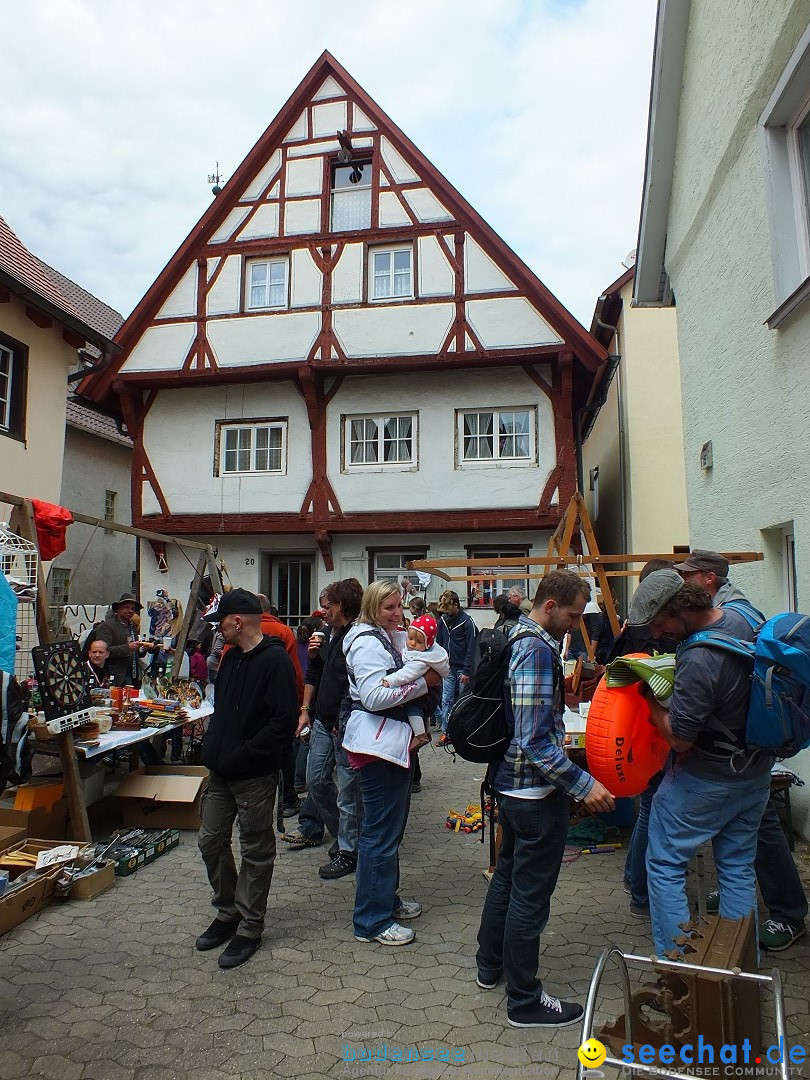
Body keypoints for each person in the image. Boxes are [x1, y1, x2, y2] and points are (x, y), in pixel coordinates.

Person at [476, 570, 615, 1028]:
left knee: (507, 878)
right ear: (551, 605)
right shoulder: (536, 648)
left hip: (511, 786)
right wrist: (584, 785)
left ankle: (489, 965)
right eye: (573, 615)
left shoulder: (517, 635)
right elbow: (534, 741)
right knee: (530, 898)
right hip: (534, 794)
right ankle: (524, 1000)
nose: (576, 625)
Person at [627, 570, 773, 959]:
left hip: (707, 779)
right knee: (738, 869)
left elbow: (680, 738)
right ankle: (739, 971)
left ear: (680, 609)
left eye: (660, 624)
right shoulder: (744, 617)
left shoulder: (699, 657)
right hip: (756, 773)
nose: (657, 634)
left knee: (664, 863)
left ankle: (682, 978)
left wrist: (652, 702)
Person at [676, 550, 807, 951]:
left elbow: (722, 678)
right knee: (745, 824)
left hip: (743, 746)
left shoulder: (731, 616)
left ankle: (788, 913)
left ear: (709, 579)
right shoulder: (737, 610)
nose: (682, 583)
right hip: (747, 742)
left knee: (763, 826)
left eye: (688, 576)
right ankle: (743, 892)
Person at [196, 588, 299, 969]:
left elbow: (282, 723)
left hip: (254, 774)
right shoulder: (231, 658)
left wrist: (243, 753)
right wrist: (214, 746)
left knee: (256, 851)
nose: (217, 629)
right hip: (222, 771)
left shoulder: (273, 661)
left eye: (220, 622)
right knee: (210, 841)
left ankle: (250, 926)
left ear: (237, 621)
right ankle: (228, 912)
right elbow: (223, 710)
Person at [342, 581, 441, 946]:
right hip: (378, 748)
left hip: (388, 745)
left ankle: (385, 899)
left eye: (399, 606)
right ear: (372, 608)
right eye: (389, 608)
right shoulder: (367, 641)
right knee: (380, 835)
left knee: (388, 832)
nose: (398, 614)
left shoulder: (380, 635)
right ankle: (371, 920)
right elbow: (372, 696)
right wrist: (424, 683)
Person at [286, 578, 365, 880]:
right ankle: (343, 834)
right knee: (315, 781)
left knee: (347, 791)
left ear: (342, 605)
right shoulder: (326, 634)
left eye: (328, 605)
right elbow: (314, 674)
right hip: (321, 719)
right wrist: (305, 710)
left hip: (344, 725)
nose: (323, 611)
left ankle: (349, 850)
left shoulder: (354, 636)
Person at [381, 614, 448, 751]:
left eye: (418, 641)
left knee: (413, 709)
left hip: (424, 695)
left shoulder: (421, 661)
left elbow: (407, 674)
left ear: (427, 644)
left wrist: (390, 680)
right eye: (410, 639)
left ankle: (420, 735)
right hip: (428, 692)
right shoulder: (420, 652)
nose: (412, 643)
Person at [435, 590, 477, 745]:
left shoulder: (467, 622)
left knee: (462, 701)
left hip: (462, 669)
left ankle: (462, 733)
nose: (445, 612)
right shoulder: (443, 621)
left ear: (456, 605)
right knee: (446, 700)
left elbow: (472, 648)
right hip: (448, 668)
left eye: (447, 608)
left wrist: (467, 670)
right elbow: (438, 645)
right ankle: (446, 732)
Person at [95, 593, 159, 687]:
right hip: (114, 675)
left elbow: (134, 652)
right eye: (126, 607)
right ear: (118, 609)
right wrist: (127, 647)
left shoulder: (132, 626)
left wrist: (141, 649)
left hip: (132, 675)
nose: (130, 611)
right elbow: (102, 651)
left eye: (132, 608)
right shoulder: (107, 626)